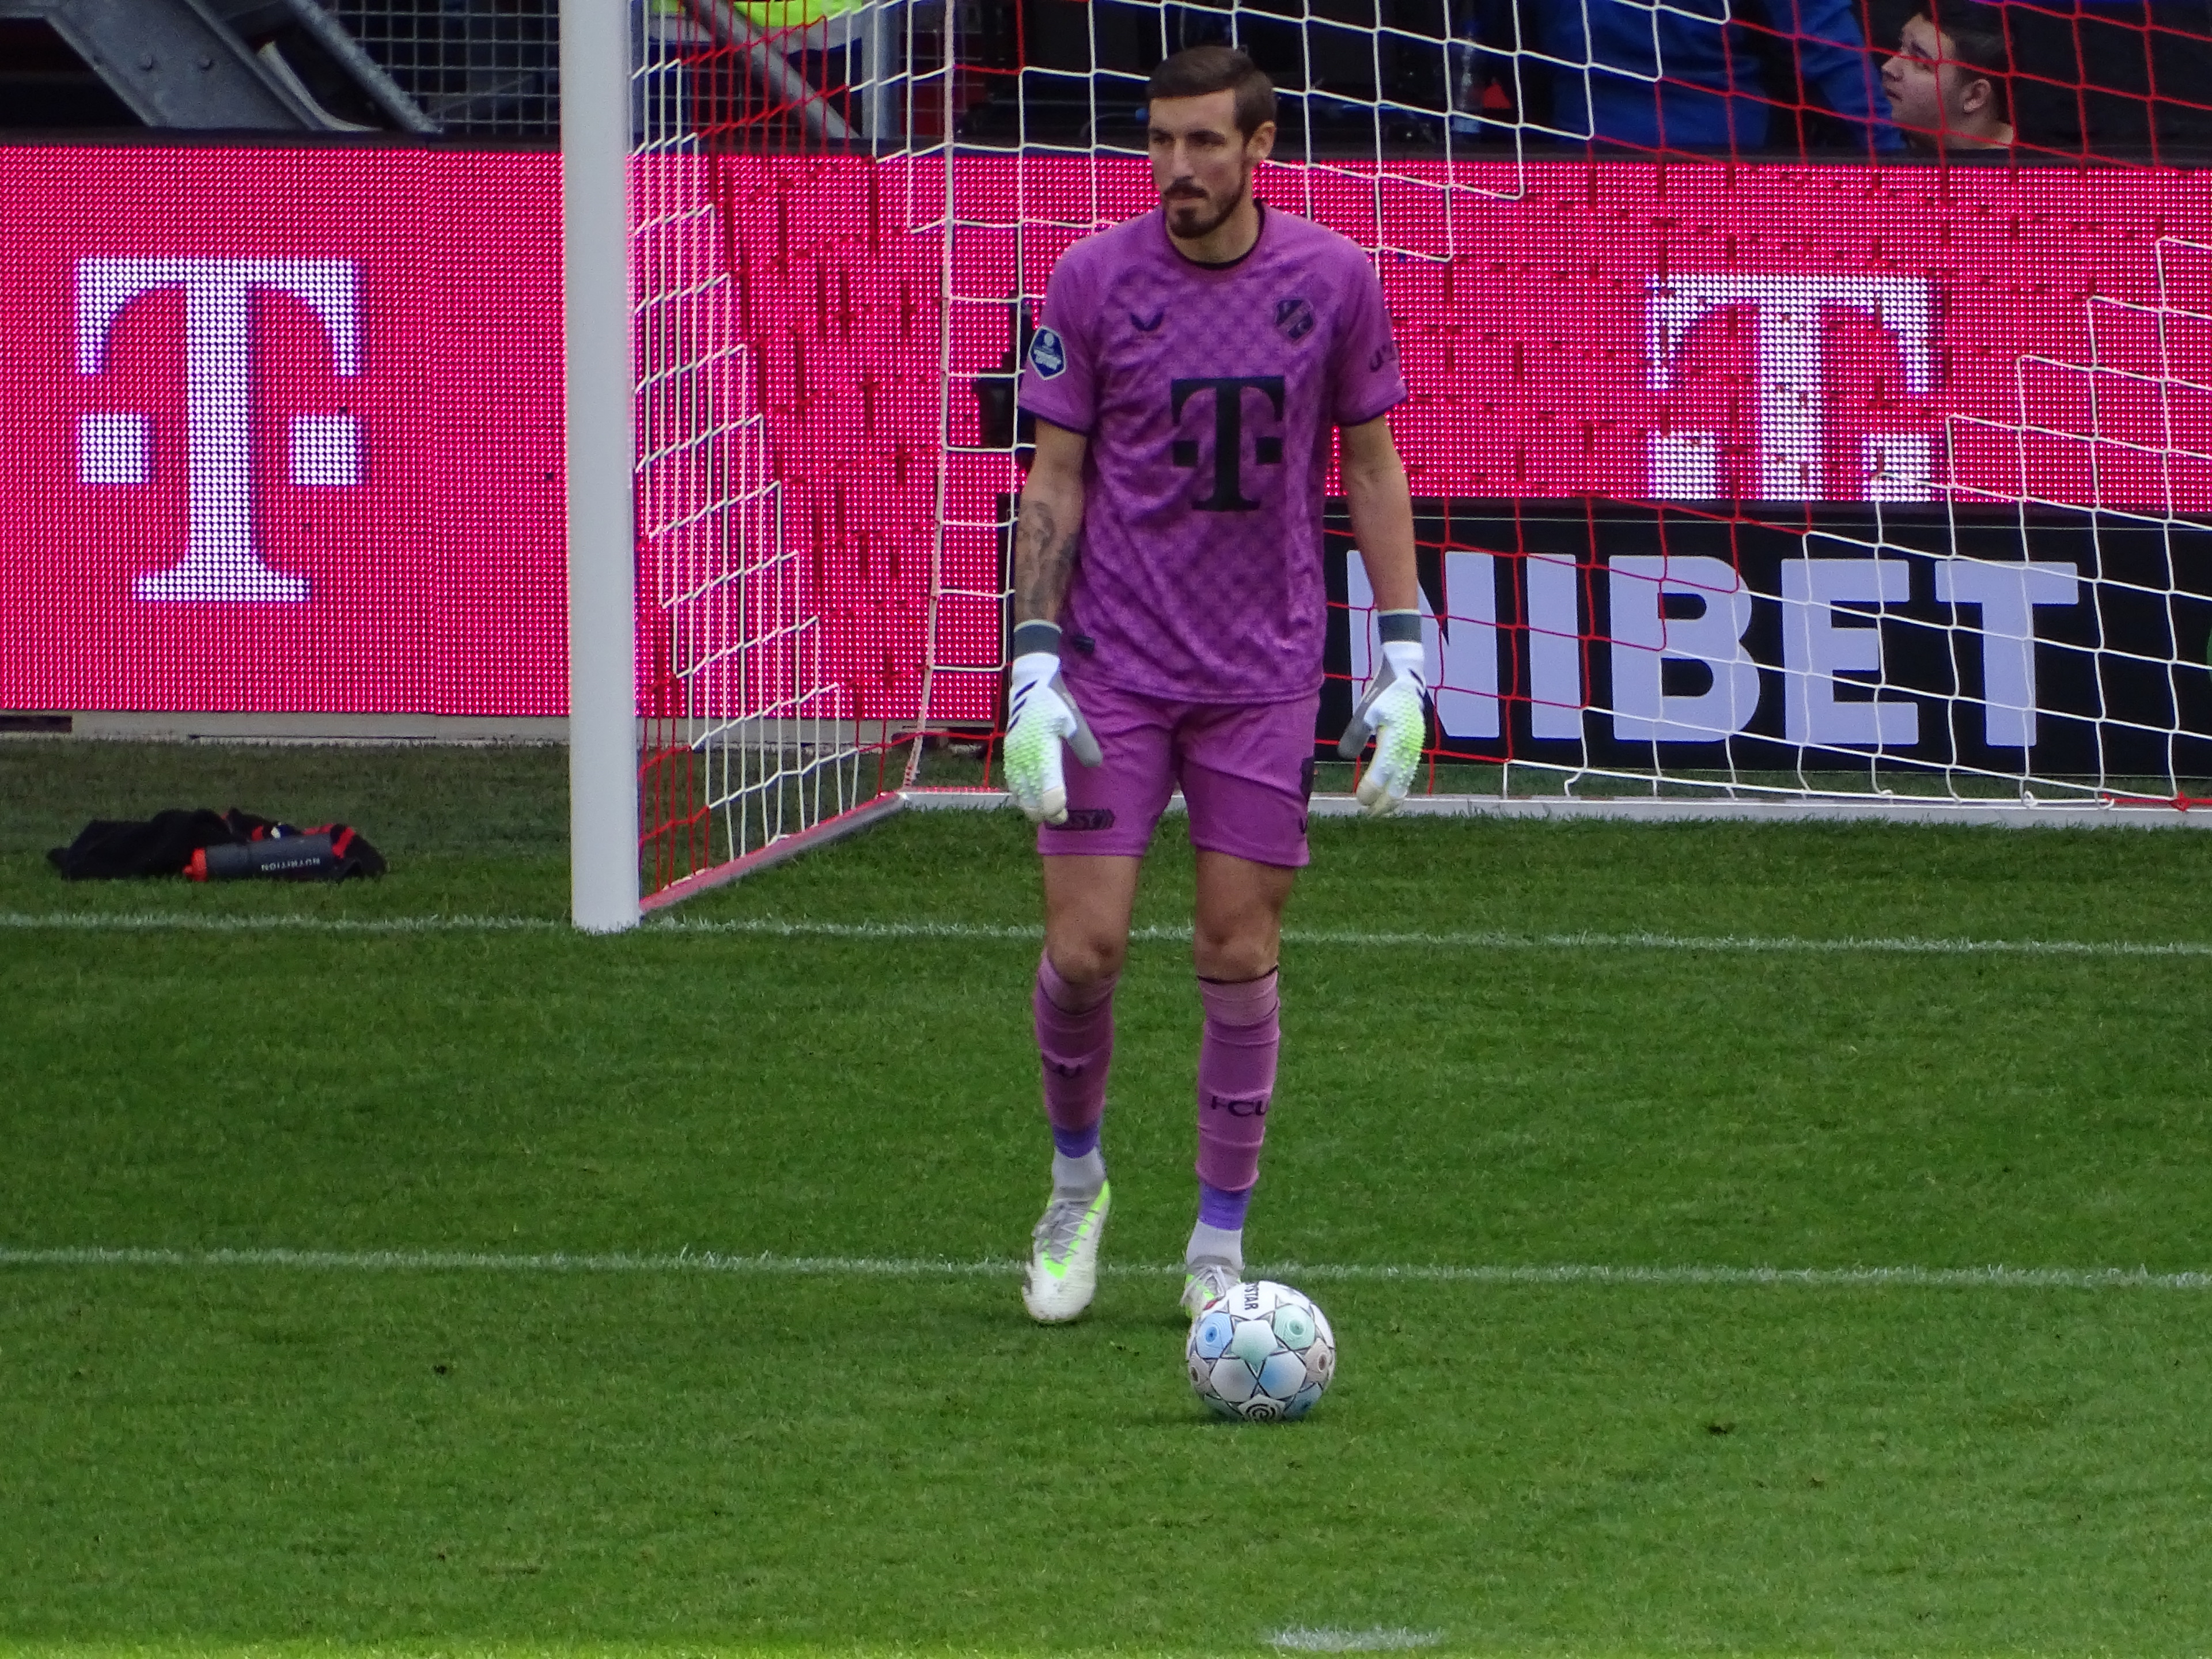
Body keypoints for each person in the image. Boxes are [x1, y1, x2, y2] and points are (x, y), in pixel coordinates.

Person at [1002, 43, 1424, 1325]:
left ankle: (1217, 1246)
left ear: (1259, 148)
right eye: (1160, 142)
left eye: (1202, 144)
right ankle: (1076, 1190)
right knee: (1086, 949)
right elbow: (1055, 478)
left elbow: (1370, 464)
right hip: (1116, 664)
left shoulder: (1331, 280)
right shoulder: (1092, 279)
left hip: (1261, 669)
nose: (1176, 168)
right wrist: (1032, 660)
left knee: (1238, 946)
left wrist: (1403, 650)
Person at [1537, 0, 1902, 155]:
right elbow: (1831, 59)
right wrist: (1895, 184)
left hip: (1582, 172)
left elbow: (1505, 44)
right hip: (1730, 174)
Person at [1881, 2, 2016, 151]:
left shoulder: (2034, 166)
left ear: (1974, 96)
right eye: (1901, 47)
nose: (1888, 68)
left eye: (1921, 62)